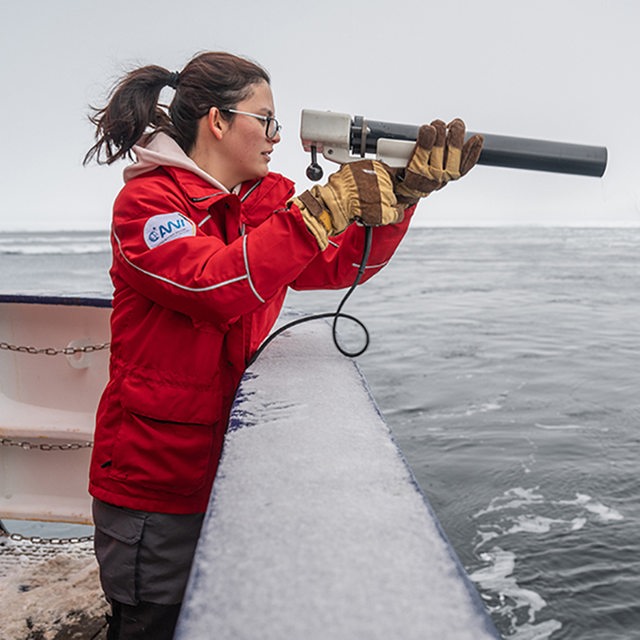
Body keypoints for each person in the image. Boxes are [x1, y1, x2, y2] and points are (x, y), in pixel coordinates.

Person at [84, 50, 483, 639]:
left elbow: (343, 263)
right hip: (155, 481)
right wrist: (320, 210)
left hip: (223, 465)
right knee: (150, 624)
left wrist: (402, 196)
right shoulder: (149, 205)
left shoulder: (265, 200)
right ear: (218, 122)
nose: (276, 137)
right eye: (265, 120)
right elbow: (211, 284)